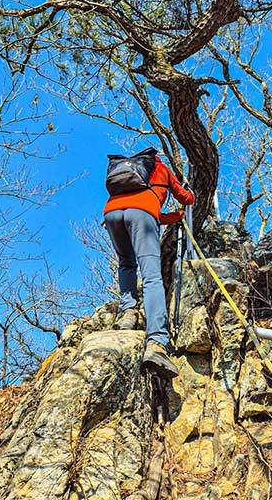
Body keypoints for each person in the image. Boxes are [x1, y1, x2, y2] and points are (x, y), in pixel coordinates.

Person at [103, 151, 195, 380]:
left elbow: (142, 211)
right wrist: (189, 196)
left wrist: (170, 218)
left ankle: (128, 313)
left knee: (126, 263)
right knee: (152, 277)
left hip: (112, 214)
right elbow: (185, 197)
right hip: (142, 215)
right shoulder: (161, 168)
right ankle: (157, 341)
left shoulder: (128, 173)